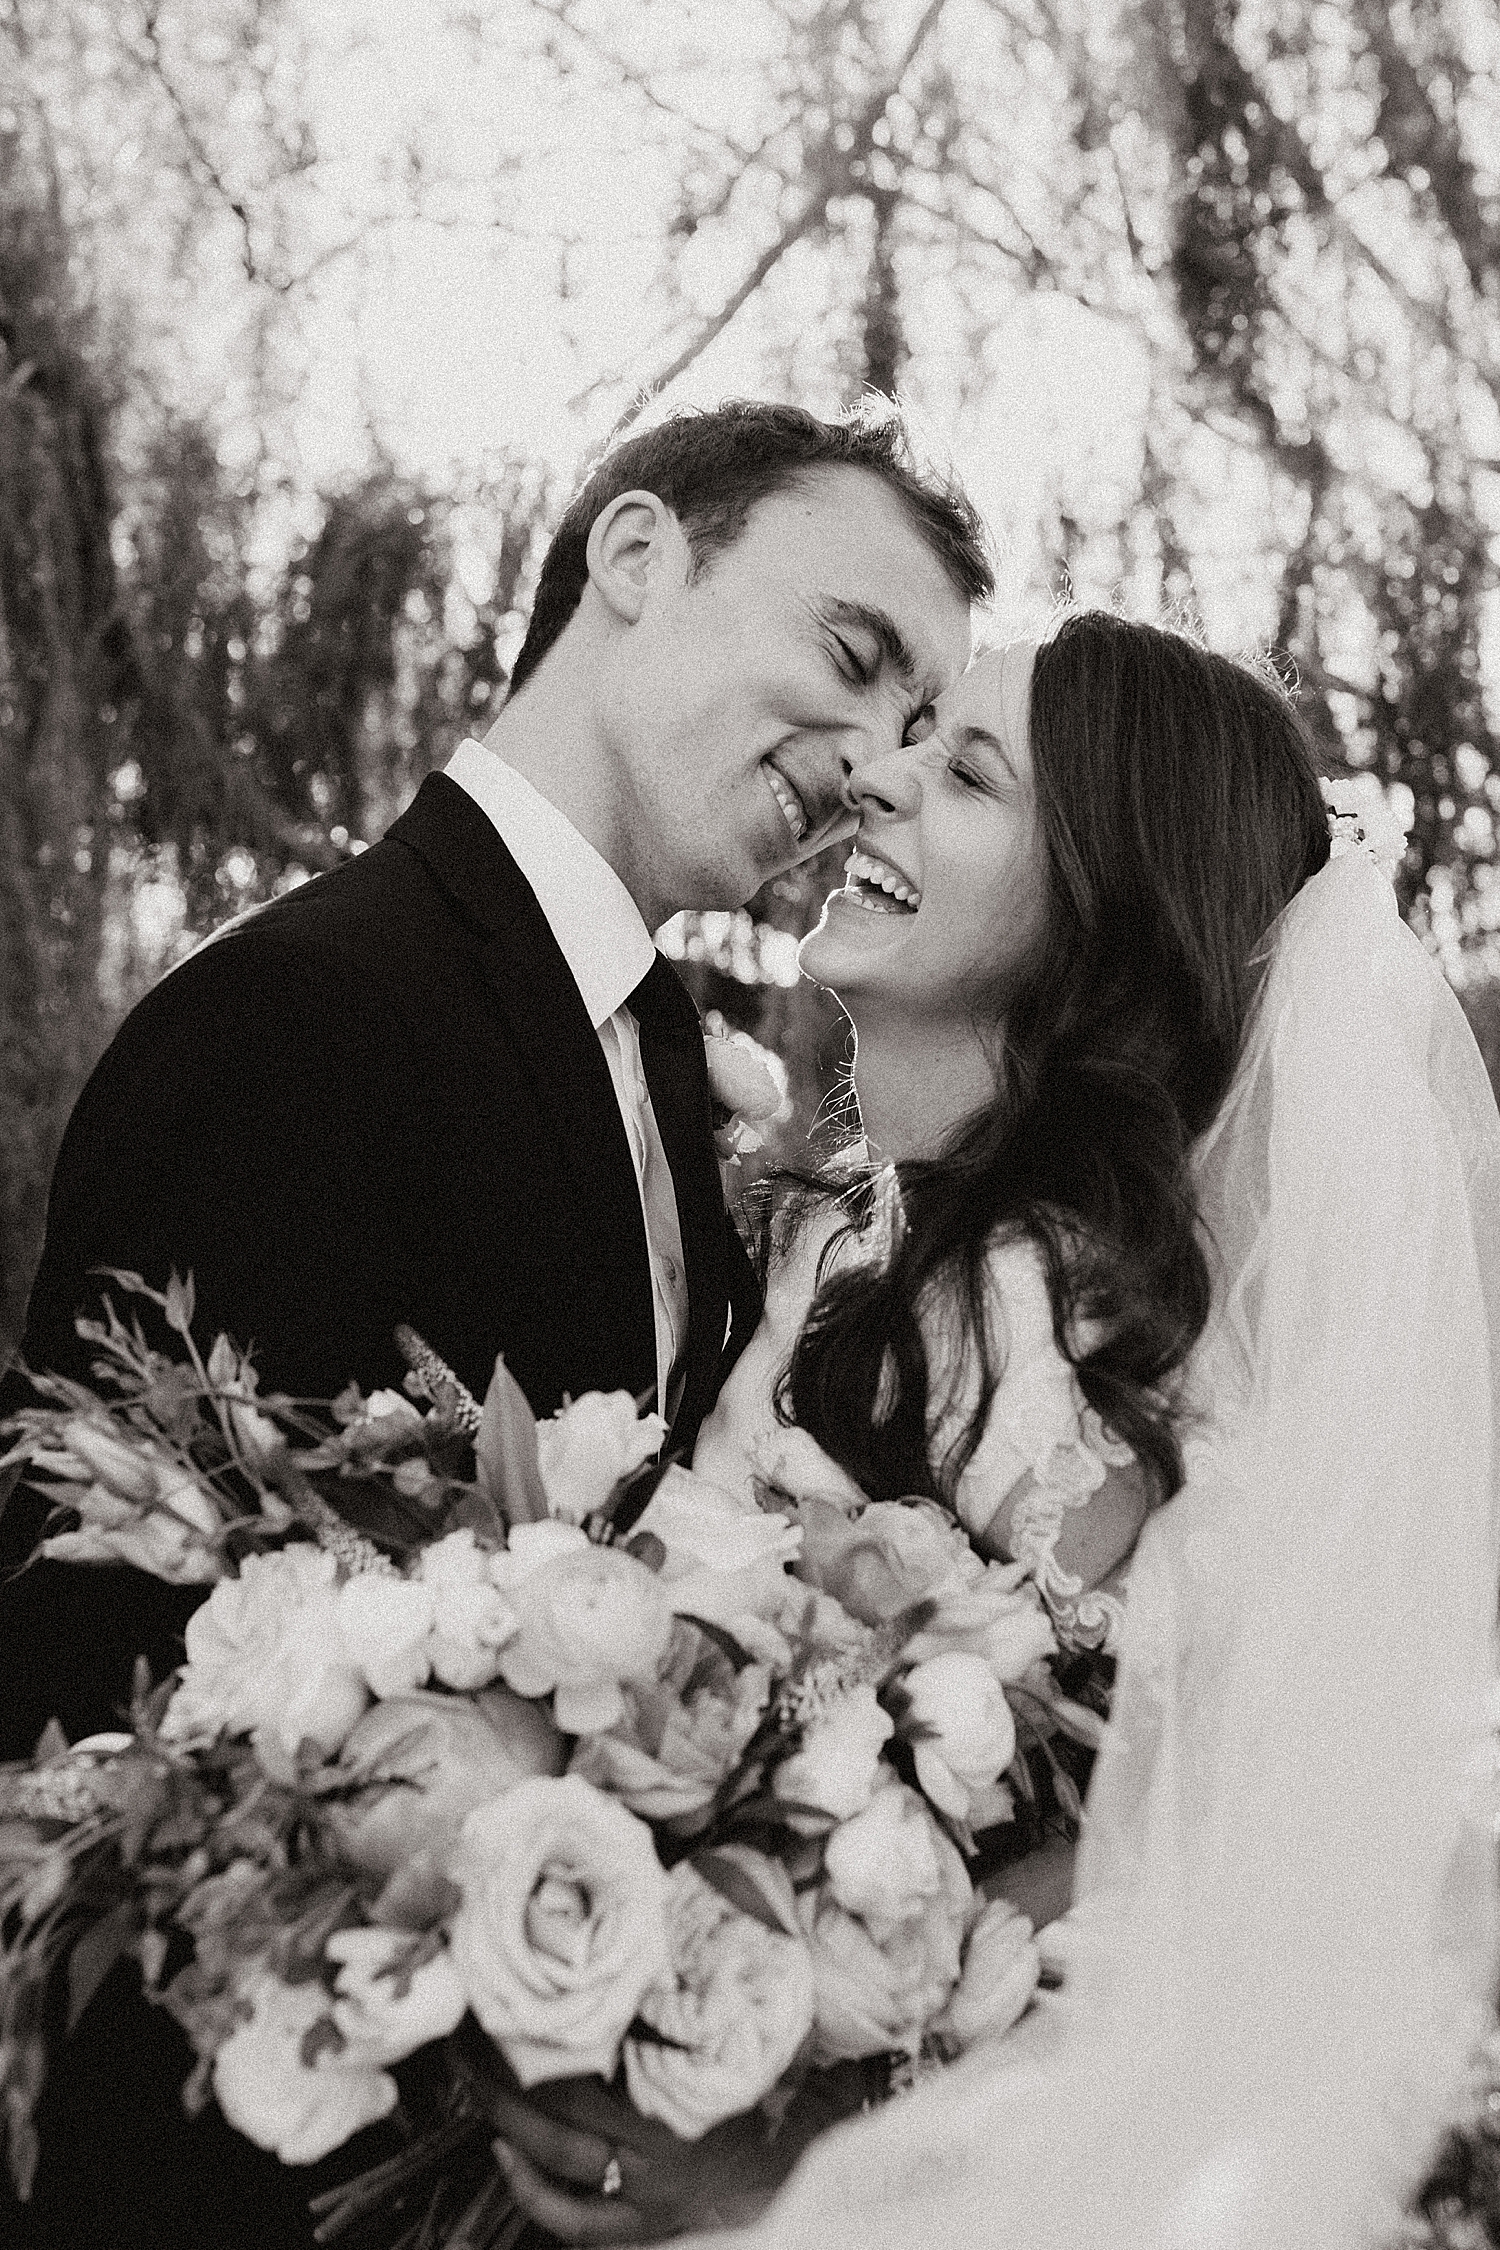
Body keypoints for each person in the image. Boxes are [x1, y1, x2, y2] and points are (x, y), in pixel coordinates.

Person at [0, 398, 989, 2250]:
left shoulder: (677, 1094)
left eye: (921, 732)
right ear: (635, 559)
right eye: (854, 662)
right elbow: (104, 1720)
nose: (874, 765)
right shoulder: (296, 1025)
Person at [494, 614, 1499, 2247]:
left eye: (963, 771)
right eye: (914, 736)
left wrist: (799, 2174)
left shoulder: (1024, 1322)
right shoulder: (874, 1241)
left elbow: (1207, 1869)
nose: (872, 777)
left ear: (1095, 918)